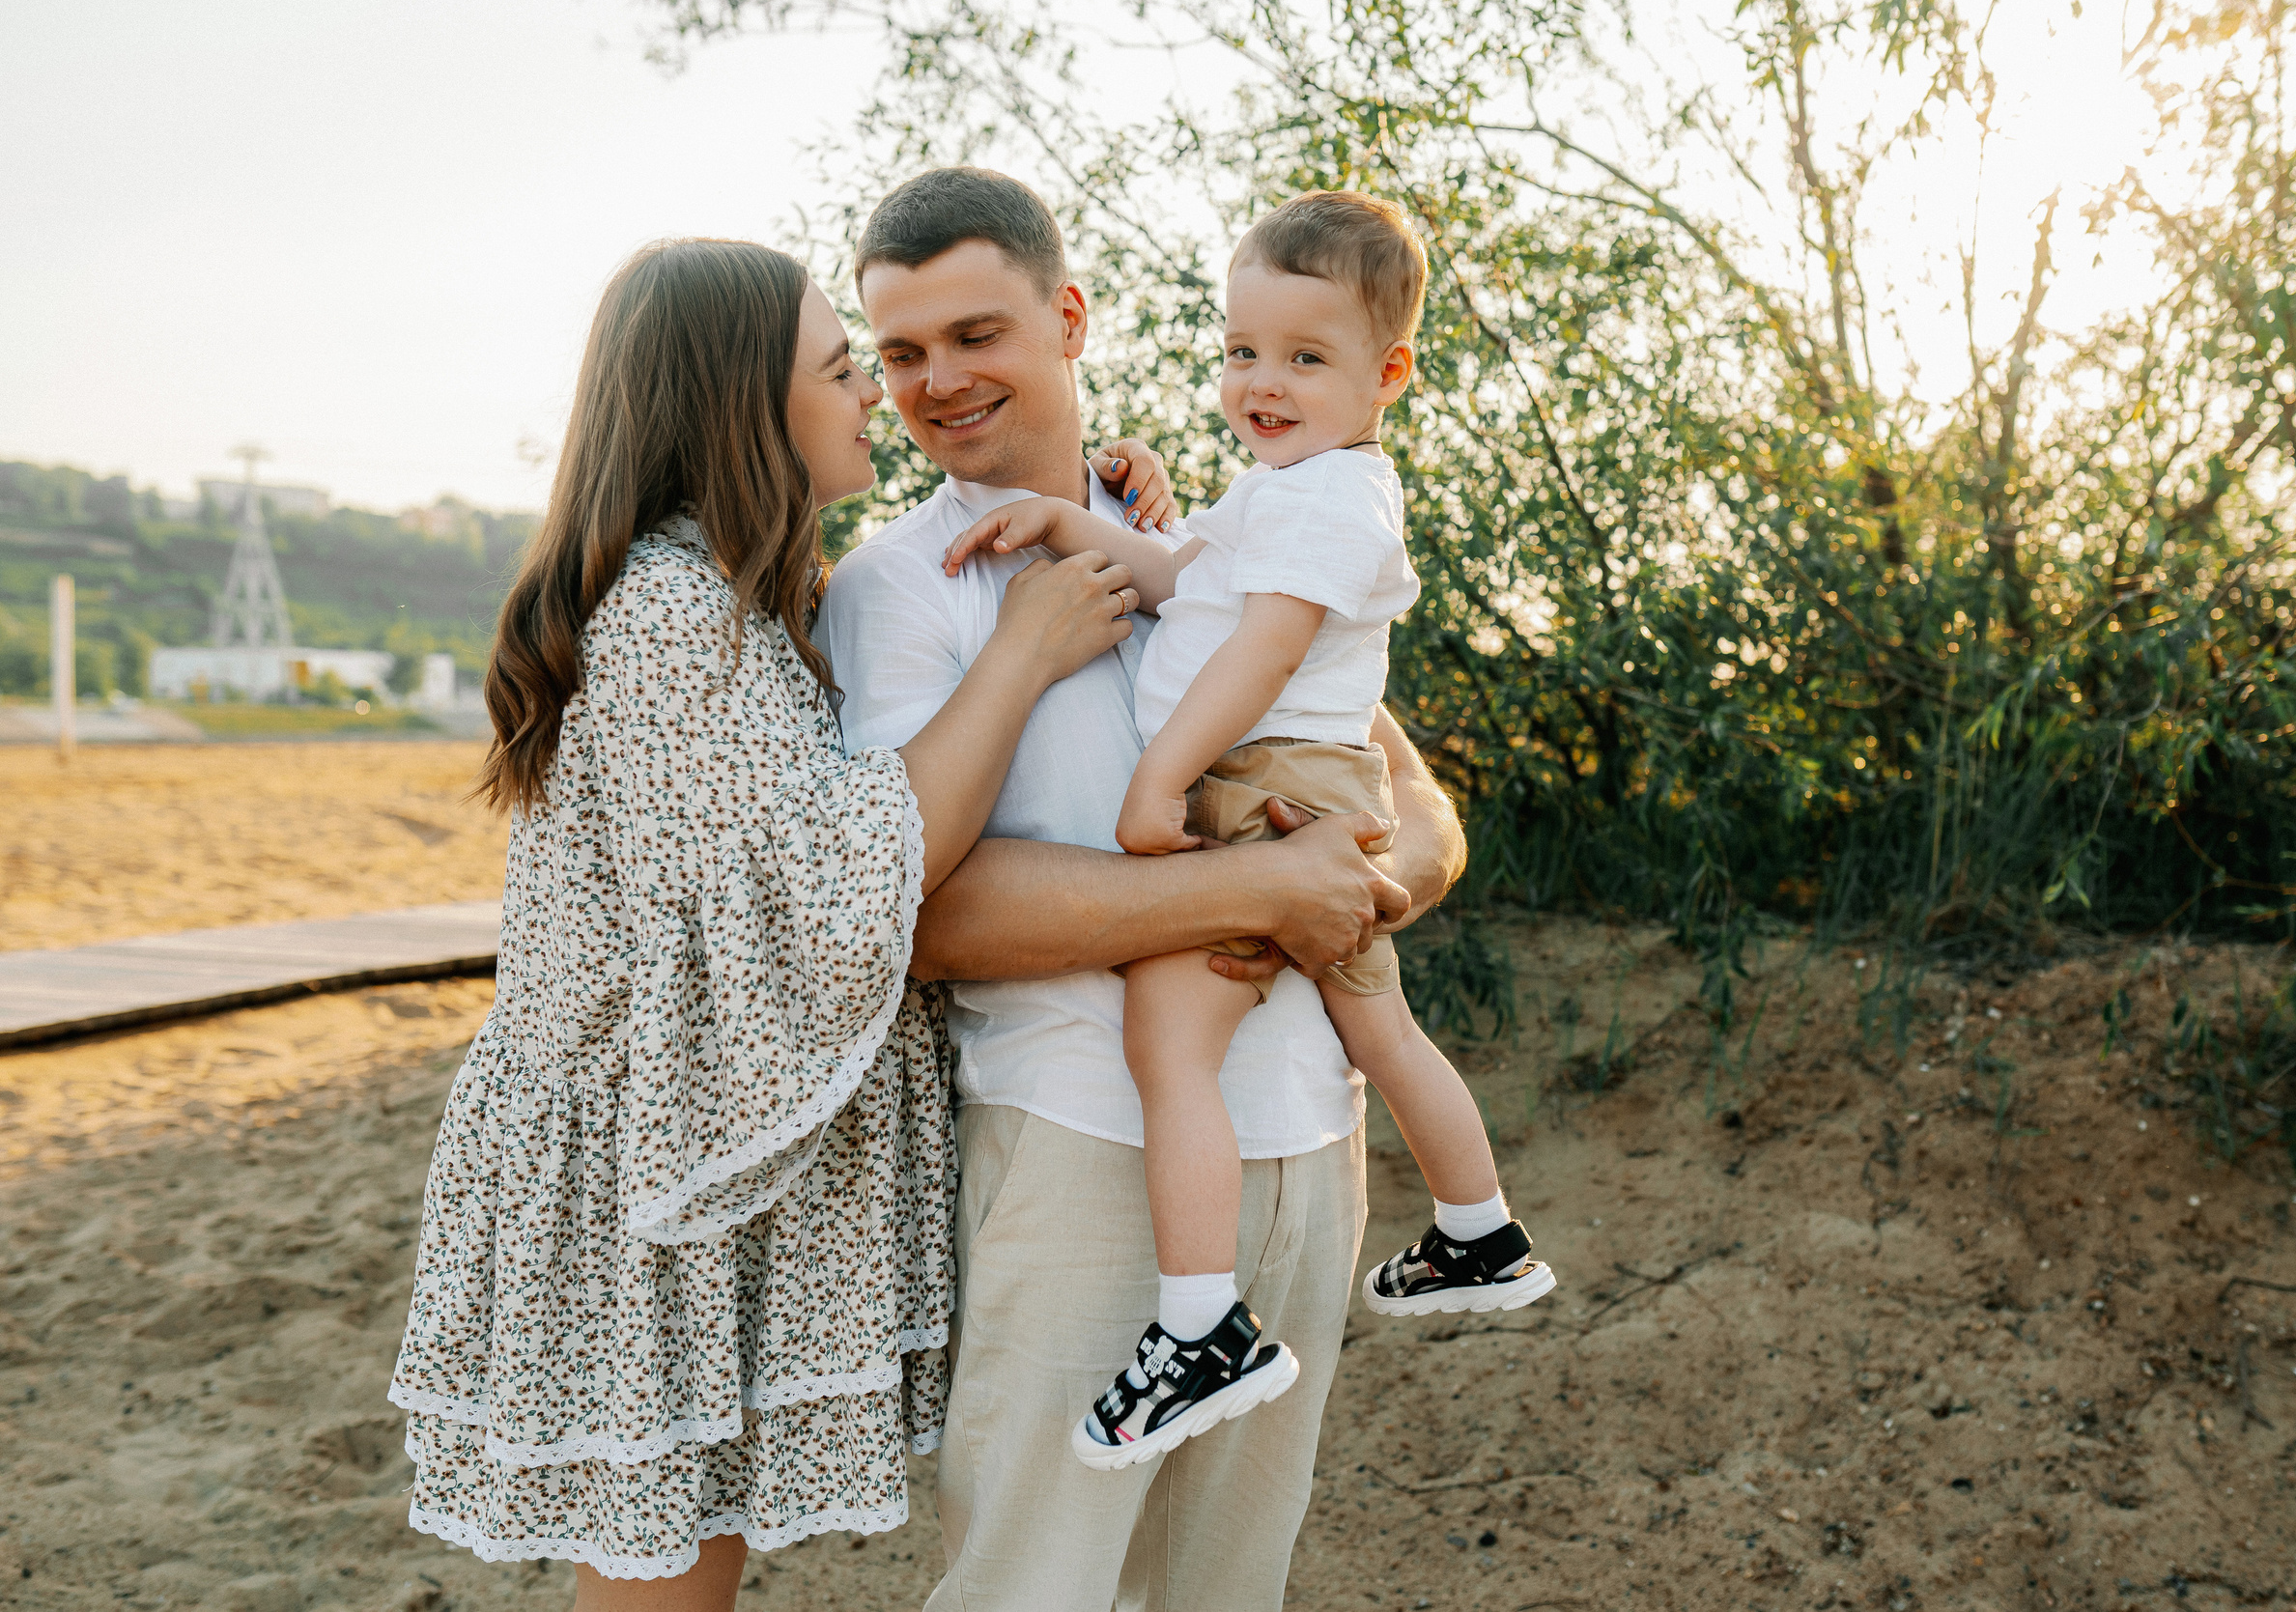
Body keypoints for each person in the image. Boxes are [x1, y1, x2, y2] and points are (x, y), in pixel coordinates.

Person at [386, 237, 1144, 1609]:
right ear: (746, 403)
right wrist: (1026, 652)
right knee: (665, 1577)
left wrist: (1115, 509)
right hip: (653, 1178)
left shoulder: (724, 588)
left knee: (685, 1561)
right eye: (846, 367)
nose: (873, 397)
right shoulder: (669, 617)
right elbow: (846, 877)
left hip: (691, 1147)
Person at [821, 168, 1467, 1609]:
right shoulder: (900, 589)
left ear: (1068, 317)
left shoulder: (1247, 518)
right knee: (1031, 1592)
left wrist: (1362, 892)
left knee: (1226, 1597)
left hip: (1313, 1145)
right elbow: (928, 917)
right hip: (1083, 1153)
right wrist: (1268, 890)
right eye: (903, 352)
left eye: (976, 334)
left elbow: (1407, 795)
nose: (938, 383)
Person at [940, 189, 1553, 1471]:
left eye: (1305, 358)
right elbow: (1190, 586)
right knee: (1378, 1025)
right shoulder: (1286, 485)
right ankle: (1478, 1229)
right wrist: (1072, 526)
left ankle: (1202, 1323)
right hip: (1296, 784)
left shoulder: (1333, 501)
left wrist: (1158, 781)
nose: (1261, 383)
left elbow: (1261, 651)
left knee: (1169, 1044)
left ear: (1388, 373)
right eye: (1242, 351)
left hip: (1266, 781)